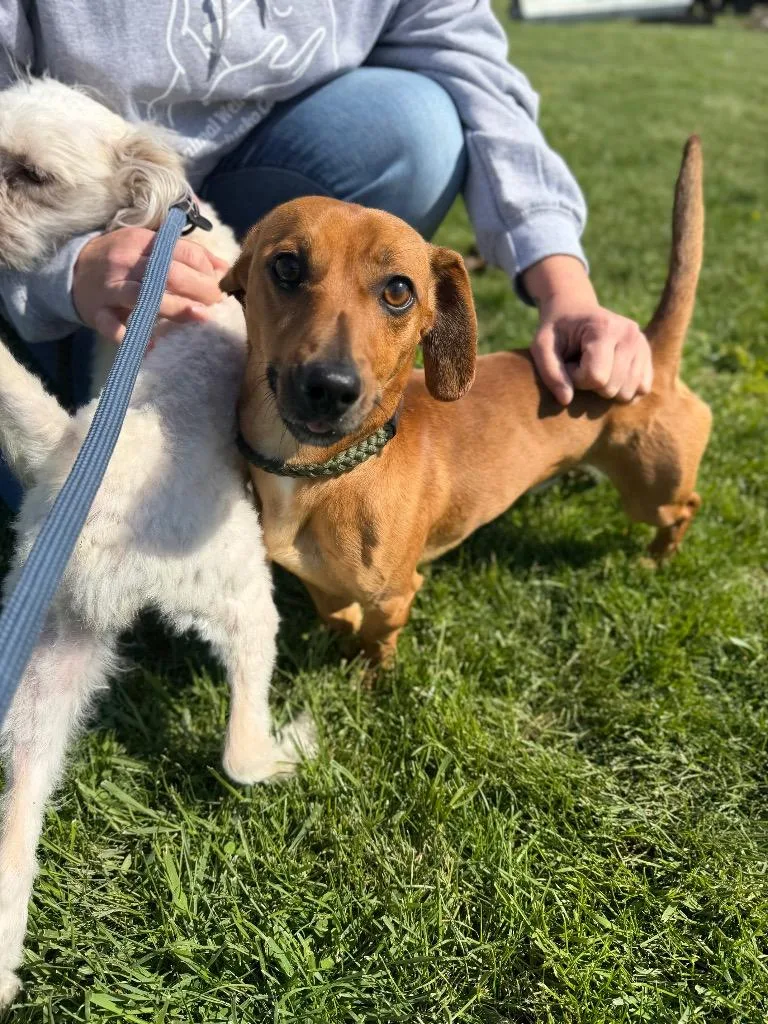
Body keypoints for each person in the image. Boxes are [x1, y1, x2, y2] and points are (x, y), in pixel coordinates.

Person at [0, 0, 650, 511]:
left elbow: (475, 71)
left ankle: (264, 359)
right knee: (34, 488)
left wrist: (564, 286)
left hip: (248, 181)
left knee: (413, 125)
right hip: (69, 230)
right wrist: (71, 273)